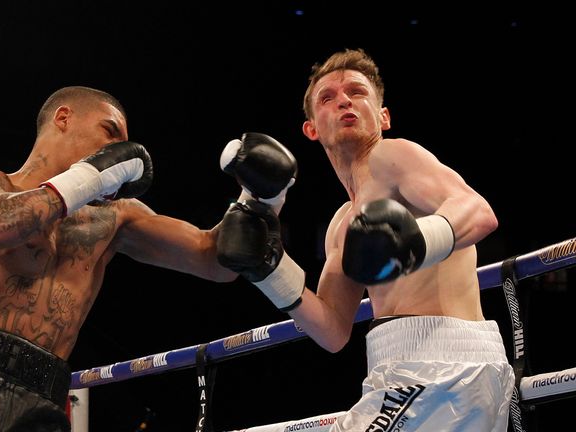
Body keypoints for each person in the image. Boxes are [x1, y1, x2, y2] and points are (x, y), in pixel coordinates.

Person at [0, 86, 296, 432]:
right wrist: (91, 174)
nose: (122, 153)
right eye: (110, 132)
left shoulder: (114, 218)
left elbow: (214, 260)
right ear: (63, 119)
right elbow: (0, 223)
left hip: (41, 404)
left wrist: (260, 199)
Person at [216, 49, 515, 431]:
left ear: (383, 116)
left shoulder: (393, 156)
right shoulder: (342, 223)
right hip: (401, 372)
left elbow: (476, 210)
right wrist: (268, 269)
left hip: (444, 367)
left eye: (357, 92)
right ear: (311, 128)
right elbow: (333, 329)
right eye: (328, 97)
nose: (343, 100)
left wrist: (415, 241)